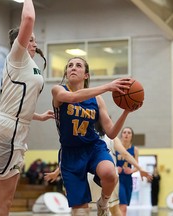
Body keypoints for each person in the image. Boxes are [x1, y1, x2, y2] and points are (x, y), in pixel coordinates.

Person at [0, 1, 54, 215]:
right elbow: (29, 19)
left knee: (0, 196)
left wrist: (39, 117)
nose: (34, 42)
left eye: (35, 39)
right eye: (30, 38)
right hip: (7, 130)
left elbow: (18, 103)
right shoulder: (17, 56)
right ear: (19, 42)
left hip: (15, 126)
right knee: (5, 199)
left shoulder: (29, 66)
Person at [51, 56, 141, 216]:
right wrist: (108, 86)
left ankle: (103, 203)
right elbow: (73, 98)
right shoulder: (58, 90)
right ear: (66, 71)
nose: (73, 67)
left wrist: (126, 112)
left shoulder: (97, 99)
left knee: (110, 173)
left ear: (86, 75)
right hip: (70, 153)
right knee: (80, 212)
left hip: (93, 148)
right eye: (70, 65)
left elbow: (112, 133)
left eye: (78, 65)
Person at [44, 121, 152, 216]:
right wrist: (140, 168)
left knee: (82, 209)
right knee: (114, 209)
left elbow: (71, 158)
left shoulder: (82, 135)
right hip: (107, 179)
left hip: (89, 177)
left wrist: (56, 172)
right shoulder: (112, 137)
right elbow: (125, 154)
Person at [116, 127, 139, 216]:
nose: (126, 134)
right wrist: (115, 168)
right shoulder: (116, 147)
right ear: (121, 135)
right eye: (124, 132)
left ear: (132, 136)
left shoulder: (135, 149)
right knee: (123, 206)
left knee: (123, 206)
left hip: (128, 179)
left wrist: (132, 170)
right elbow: (109, 161)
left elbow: (137, 166)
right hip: (117, 179)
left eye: (129, 133)